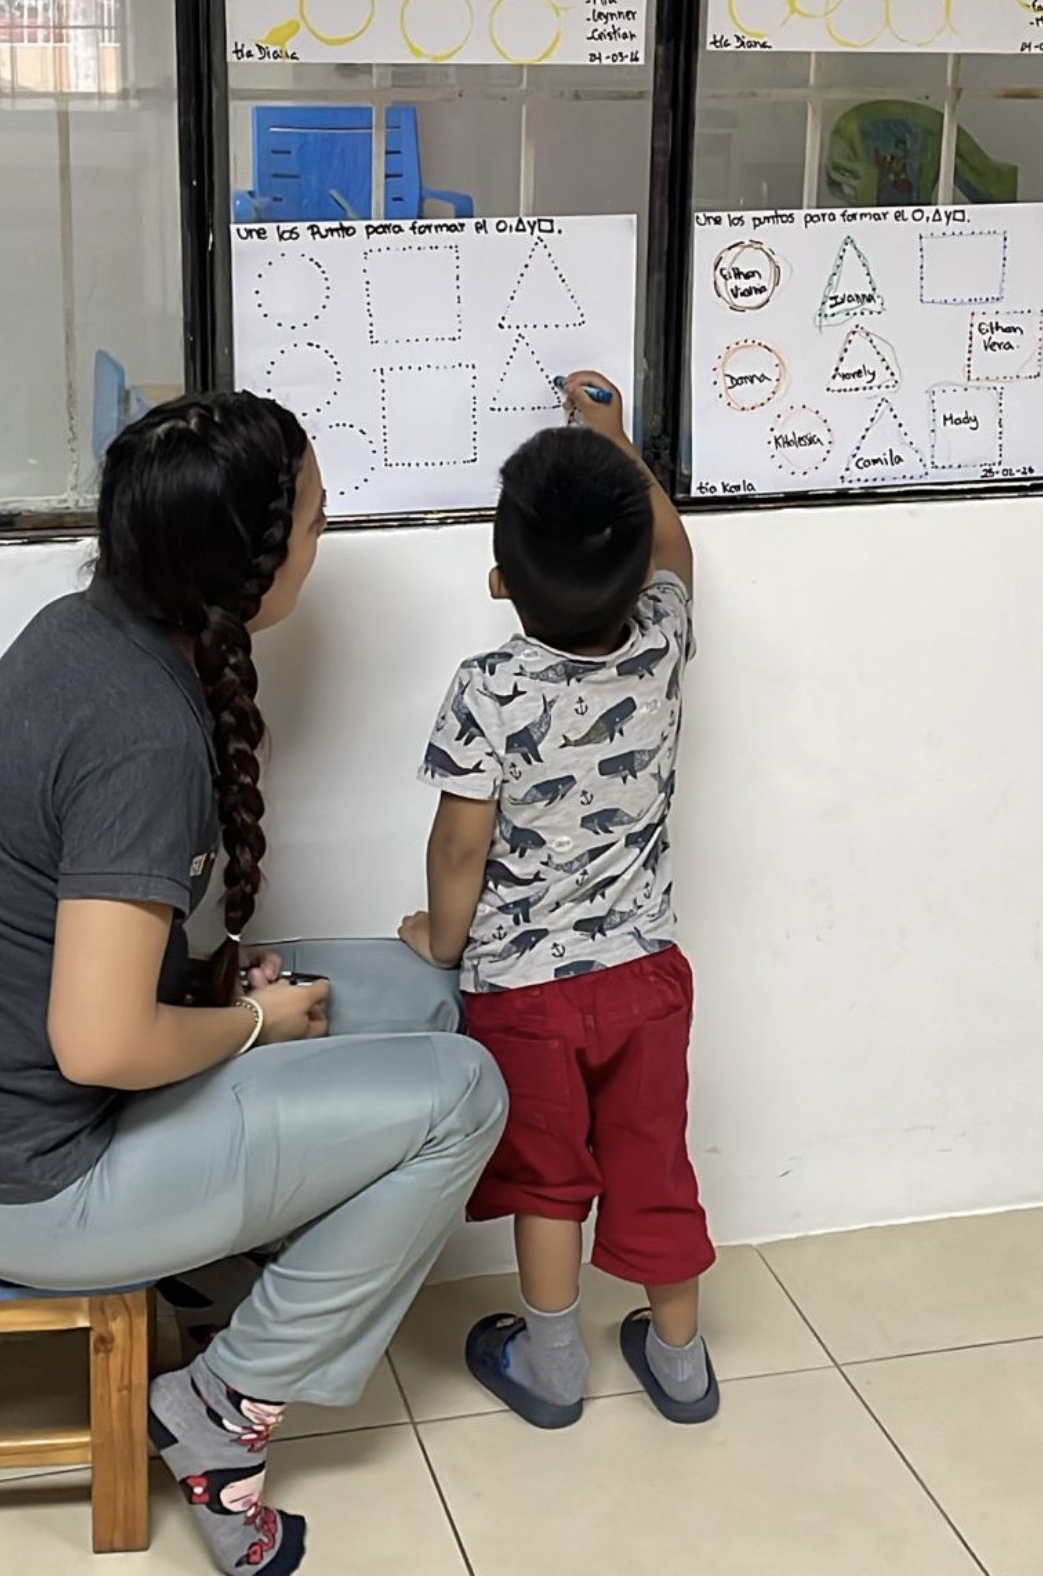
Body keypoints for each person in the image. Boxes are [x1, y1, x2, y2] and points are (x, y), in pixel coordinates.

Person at [0, 392, 507, 1576]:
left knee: (422, 998)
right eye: (314, 518)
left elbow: (106, 945)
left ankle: (256, 1274)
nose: (323, 536)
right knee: (463, 1090)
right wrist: (251, 1021)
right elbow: (100, 1043)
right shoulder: (135, 727)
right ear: (246, 563)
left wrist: (226, 984)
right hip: (25, 1182)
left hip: (35, 1113)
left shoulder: (94, 630)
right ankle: (224, 1409)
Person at [398, 372, 718, 1430]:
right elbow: (674, 552)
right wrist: (616, 441)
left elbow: (459, 843)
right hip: (645, 980)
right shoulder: (662, 640)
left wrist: (439, 939)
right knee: (653, 1165)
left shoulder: (488, 686)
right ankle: (680, 1363)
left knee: (548, 1182)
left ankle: (551, 1367)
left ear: (500, 579)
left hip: (525, 995)